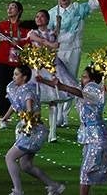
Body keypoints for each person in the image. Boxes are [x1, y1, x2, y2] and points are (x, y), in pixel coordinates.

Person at [36, 68, 107, 195]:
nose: (82, 79)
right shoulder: (87, 89)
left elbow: (77, 92)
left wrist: (61, 85)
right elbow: (68, 89)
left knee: (86, 171)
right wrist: (44, 81)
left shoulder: (94, 89)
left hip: (96, 137)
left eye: (85, 77)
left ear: (92, 79)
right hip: (91, 136)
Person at [1, 64, 64, 195]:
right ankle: (54, 186)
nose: (13, 77)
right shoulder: (19, 89)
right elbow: (14, 105)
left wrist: (27, 121)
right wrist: (4, 118)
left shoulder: (28, 92)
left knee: (9, 157)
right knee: (26, 165)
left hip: (33, 132)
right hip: (32, 131)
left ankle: (18, 191)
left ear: (24, 77)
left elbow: (29, 109)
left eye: (16, 74)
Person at [48, 0, 100, 128]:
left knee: (70, 80)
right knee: (58, 80)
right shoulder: (52, 13)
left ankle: (64, 114)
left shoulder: (78, 9)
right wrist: (56, 27)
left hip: (73, 50)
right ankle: (58, 114)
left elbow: (95, 4)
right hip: (58, 51)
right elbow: (47, 34)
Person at [25, 8, 77, 143]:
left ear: (47, 20)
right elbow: (43, 42)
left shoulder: (52, 32)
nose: (39, 18)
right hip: (39, 68)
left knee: (53, 100)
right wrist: (52, 44)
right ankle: (34, 128)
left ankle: (52, 133)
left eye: (42, 16)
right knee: (35, 99)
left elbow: (56, 35)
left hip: (53, 67)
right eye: (37, 16)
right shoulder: (33, 33)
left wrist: (58, 24)